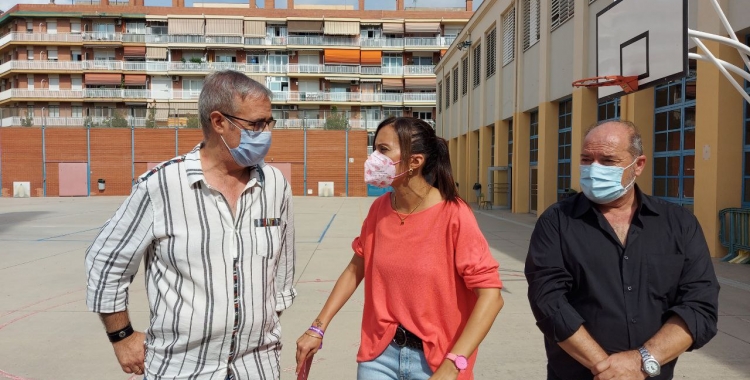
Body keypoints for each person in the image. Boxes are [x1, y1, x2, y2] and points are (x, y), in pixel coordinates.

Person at [85, 70, 296, 380]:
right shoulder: (161, 186)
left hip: (257, 366)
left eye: (268, 123)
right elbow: (106, 262)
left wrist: (257, 326)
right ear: (218, 122)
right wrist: (123, 337)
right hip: (183, 368)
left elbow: (282, 274)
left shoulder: (274, 185)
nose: (265, 133)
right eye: (256, 125)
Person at [295, 117, 505, 380]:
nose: (373, 158)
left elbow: (491, 296)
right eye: (374, 149)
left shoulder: (454, 215)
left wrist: (453, 365)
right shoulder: (379, 210)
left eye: (383, 150)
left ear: (415, 161)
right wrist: (318, 328)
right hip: (379, 357)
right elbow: (353, 270)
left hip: (437, 362)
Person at [524, 120, 719, 380]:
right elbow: (548, 301)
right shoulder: (556, 221)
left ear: (638, 165)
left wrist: (640, 361)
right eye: (586, 159)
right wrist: (606, 368)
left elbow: (699, 305)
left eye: (607, 160)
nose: (594, 169)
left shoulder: (679, 224)